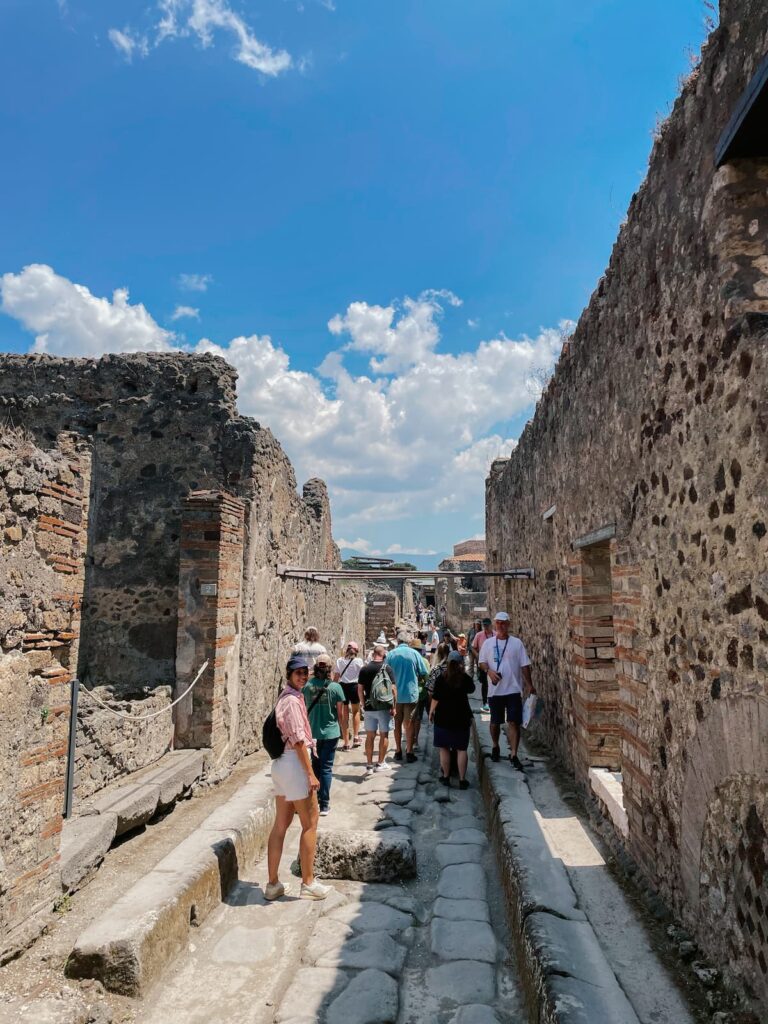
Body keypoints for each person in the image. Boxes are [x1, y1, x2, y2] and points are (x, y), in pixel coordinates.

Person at [265, 656, 330, 901]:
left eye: (305, 672)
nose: (302, 676)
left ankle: (273, 884)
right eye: (298, 673)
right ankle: (308, 883)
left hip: (282, 766)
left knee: (280, 825)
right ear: (289, 674)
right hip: (294, 764)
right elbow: (299, 741)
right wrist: (311, 773)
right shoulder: (292, 701)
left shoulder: (285, 697)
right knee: (310, 823)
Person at [478, 612, 535, 770]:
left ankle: (514, 754)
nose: (501, 626)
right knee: (495, 722)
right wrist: (489, 671)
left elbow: (524, 665)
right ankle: (495, 745)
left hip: (513, 689)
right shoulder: (488, 644)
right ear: (495, 624)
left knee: (514, 722)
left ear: (508, 624)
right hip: (495, 690)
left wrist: (529, 684)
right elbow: (482, 662)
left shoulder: (517, 643)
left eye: (503, 623)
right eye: (498, 623)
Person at [303, 654, 346, 816]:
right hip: (330, 732)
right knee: (326, 768)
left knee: (314, 767)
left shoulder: (307, 686)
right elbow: (340, 714)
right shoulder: (336, 687)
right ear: (329, 668)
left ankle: (313, 802)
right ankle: (324, 805)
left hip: (312, 732)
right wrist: (344, 733)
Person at [429, 651, 475, 788]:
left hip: (443, 718)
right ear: (461, 663)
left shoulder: (441, 678)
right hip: (462, 718)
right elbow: (472, 689)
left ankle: (446, 777)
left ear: (448, 663)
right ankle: (462, 780)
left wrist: (431, 712)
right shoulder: (464, 678)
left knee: (444, 748)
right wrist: (464, 673)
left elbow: (435, 698)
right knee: (461, 749)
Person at [386, 630, 429, 763]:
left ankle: (398, 751)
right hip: (411, 694)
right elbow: (424, 672)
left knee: (397, 723)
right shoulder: (415, 654)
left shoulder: (391, 654)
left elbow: (384, 673)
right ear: (408, 642)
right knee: (409, 724)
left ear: (398, 641)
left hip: (395, 696)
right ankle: (409, 751)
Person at [357, 643, 397, 772]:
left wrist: (363, 704)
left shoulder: (364, 669)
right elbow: (393, 689)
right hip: (384, 706)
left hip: (369, 706)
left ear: (373, 654)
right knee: (384, 735)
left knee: (370, 736)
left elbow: (360, 689)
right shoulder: (387, 669)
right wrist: (394, 706)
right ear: (383, 655)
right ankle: (380, 763)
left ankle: (369, 765)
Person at [334, 641, 364, 751]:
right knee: (356, 711)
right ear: (356, 651)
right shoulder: (359, 661)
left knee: (344, 715)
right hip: (355, 687)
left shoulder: (340, 661)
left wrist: (333, 688)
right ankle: (356, 737)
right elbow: (362, 675)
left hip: (343, 687)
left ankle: (346, 743)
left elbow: (336, 677)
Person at [472, 618, 494, 712]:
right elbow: (473, 647)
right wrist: (477, 655)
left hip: (494, 664)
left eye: (487, 625)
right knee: (485, 683)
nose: (485, 627)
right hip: (483, 664)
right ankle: (485, 702)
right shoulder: (479, 635)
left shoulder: (496, 635)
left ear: (491, 625)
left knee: (494, 682)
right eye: (484, 625)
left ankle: (494, 701)